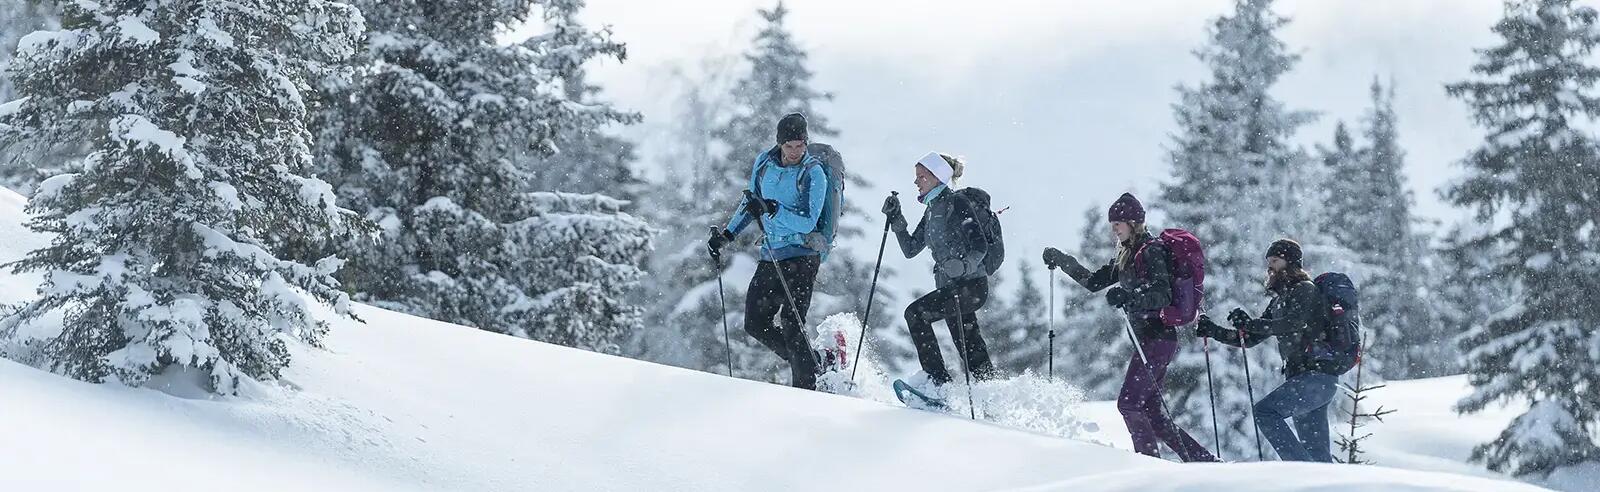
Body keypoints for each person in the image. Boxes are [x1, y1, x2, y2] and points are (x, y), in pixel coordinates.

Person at [1042, 193, 1216, 462]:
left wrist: (1130, 296)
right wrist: (1062, 259)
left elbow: (1162, 294)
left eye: (1118, 224)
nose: (1114, 229)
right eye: (1112, 224)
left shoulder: (1151, 250)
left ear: (1134, 223)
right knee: (1152, 413)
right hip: (1150, 341)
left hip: (1158, 339)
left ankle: (1148, 465)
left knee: (1129, 403)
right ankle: (1204, 461)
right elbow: (1093, 282)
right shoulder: (1127, 255)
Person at [707, 113, 839, 390]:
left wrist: (774, 210)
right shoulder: (764, 163)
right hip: (772, 253)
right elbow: (751, 204)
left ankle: (807, 387)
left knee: (792, 323)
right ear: (779, 143)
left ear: (806, 142)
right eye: (789, 146)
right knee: (755, 323)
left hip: (803, 255)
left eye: (800, 145)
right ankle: (815, 363)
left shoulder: (813, 172)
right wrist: (727, 235)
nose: (795, 152)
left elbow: (808, 221)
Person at [1196, 239, 1337, 462]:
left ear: (1290, 263)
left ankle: (1303, 472)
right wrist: (1214, 331)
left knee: (1265, 412)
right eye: (1268, 262)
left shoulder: (1305, 290)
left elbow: (1293, 323)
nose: (1270, 267)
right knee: (1317, 454)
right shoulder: (1279, 300)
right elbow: (1250, 339)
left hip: (1316, 377)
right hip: (1305, 379)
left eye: (1275, 261)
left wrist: (1250, 323)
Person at [881, 152, 997, 393]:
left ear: (937, 178)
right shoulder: (932, 210)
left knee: (916, 314)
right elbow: (911, 248)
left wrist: (964, 266)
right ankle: (993, 395)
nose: (916, 181)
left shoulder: (957, 203)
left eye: (921, 176)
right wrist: (897, 219)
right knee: (969, 345)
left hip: (971, 286)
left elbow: (980, 246)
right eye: (917, 177)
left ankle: (938, 386)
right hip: (951, 288)